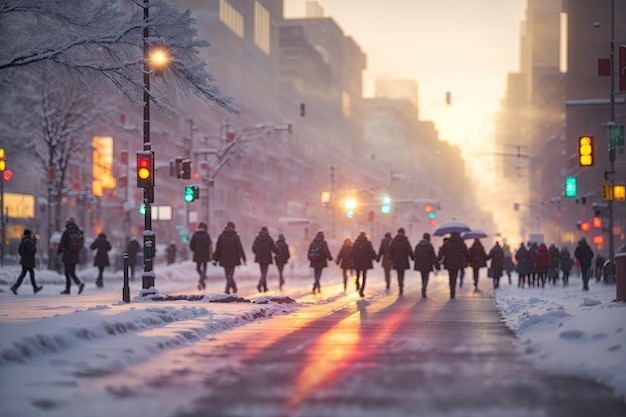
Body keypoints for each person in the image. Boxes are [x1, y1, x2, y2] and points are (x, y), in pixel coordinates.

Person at [213, 221, 246, 294]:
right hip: (233, 257)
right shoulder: (236, 236)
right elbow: (239, 248)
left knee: (227, 274)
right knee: (230, 274)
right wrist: (243, 258)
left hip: (224, 257)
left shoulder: (221, 236)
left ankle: (232, 287)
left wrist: (215, 258)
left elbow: (218, 248)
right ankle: (227, 289)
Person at [437, 232, 470, 298]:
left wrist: (439, 259)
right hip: (458, 262)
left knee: (450, 276)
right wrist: (465, 257)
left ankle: (451, 289)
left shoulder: (447, 243)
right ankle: (453, 290)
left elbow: (441, 252)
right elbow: (467, 253)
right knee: (455, 275)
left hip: (449, 262)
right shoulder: (461, 243)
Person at [57, 217, 85, 295]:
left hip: (67, 254)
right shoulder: (78, 231)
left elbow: (62, 242)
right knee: (72, 272)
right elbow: (82, 243)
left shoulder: (66, 232)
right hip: (75, 254)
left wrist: (59, 251)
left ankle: (68, 289)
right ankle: (79, 283)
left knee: (67, 273)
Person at [10, 229, 42, 295]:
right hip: (28, 261)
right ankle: (16, 287)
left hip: (25, 260)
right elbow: (31, 251)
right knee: (27, 274)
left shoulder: (24, 240)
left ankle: (16, 287)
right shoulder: (27, 241)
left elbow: (21, 251)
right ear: (28, 234)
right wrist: (34, 243)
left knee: (26, 274)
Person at [350, 230, 377, 297]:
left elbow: (351, 252)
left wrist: (352, 258)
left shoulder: (355, 243)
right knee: (364, 276)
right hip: (365, 261)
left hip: (357, 261)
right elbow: (371, 251)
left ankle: (357, 283)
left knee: (358, 274)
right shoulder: (368, 243)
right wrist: (375, 257)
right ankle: (361, 290)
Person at [388, 227, 414, 296]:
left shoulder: (394, 241)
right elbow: (409, 250)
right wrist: (412, 257)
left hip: (396, 259)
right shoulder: (405, 241)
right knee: (402, 272)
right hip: (403, 259)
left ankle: (400, 285)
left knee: (398, 272)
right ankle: (401, 284)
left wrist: (391, 257)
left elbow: (390, 250)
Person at [252, 226, 277, 292]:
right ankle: (260, 284)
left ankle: (265, 287)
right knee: (264, 272)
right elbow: (273, 248)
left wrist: (257, 253)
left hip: (259, 257)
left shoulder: (257, 239)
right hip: (267, 257)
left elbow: (253, 248)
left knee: (262, 272)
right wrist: (278, 252)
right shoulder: (269, 239)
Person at [413, 232, 439, 298]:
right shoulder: (430, 246)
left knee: (422, 276)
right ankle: (424, 288)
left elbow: (415, 254)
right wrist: (437, 266)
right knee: (426, 277)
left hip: (420, 263)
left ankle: (423, 287)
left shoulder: (418, 245)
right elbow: (433, 256)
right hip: (428, 263)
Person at [307, 230, 333, 294]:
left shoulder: (313, 242)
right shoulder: (323, 242)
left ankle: (318, 286)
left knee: (316, 274)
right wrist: (330, 258)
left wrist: (310, 258)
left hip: (314, 260)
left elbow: (309, 251)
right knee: (319, 274)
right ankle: (315, 286)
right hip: (321, 260)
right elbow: (327, 251)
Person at [190, 222, 212, 290]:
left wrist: (195, 250)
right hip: (205, 254)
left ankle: (202, 280)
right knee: (204, 268)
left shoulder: (195, 234)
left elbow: (191, 245)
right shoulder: (206, 235)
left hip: (197, 254)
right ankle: (202, 280)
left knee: (198, 268)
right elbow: (209, 244)